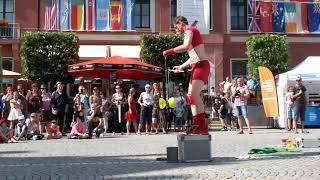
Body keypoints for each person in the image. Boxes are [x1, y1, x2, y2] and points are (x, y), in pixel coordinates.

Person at [163, 16, 210, 134]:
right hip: (197, 65)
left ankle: (201, 126)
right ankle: (197, 125)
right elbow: (193, 58)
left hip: (200, 66)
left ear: (180, 23)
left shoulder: (190, 30)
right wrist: (181, 67)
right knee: (191, 97)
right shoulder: (190, 33)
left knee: (193, 96)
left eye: (175, 27)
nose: (176, 30)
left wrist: (168, 51)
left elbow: (184, 47)